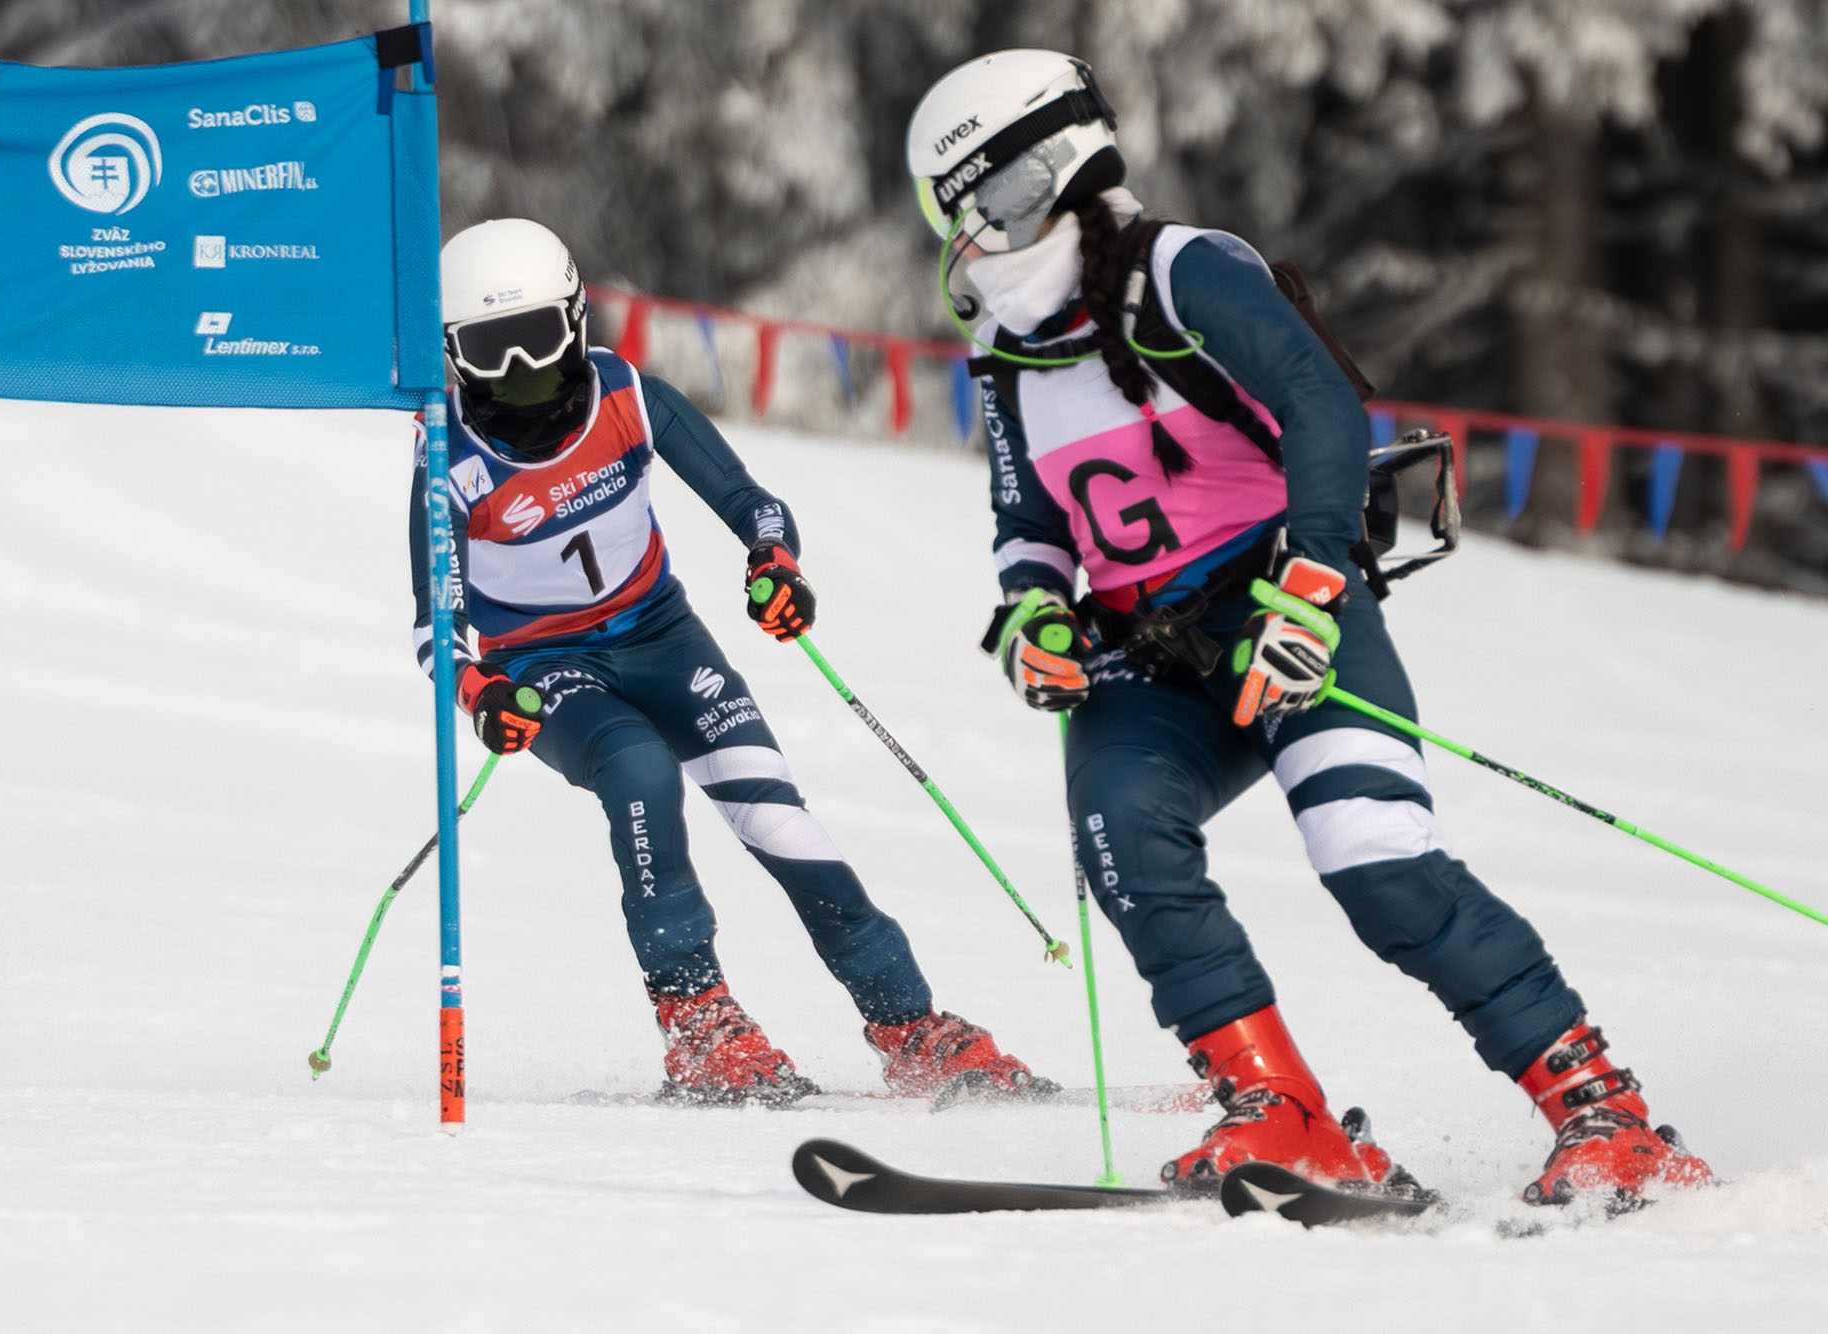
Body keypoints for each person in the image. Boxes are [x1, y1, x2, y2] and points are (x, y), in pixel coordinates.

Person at [903, 50, 1712, 1208]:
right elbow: (1026, 519)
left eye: (983, 204)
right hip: (1145, 657)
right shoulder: (1005, 351)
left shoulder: (1182, 268)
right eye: (957, 217)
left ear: (1043, 175)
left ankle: (1605, 1117)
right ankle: (1278, 1111)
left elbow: (1319, 400)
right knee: (1122, 834)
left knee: (1375, 863)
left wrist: (1312, 582)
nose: (972, 240)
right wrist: (1032, 610)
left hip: (1285, 613)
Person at [410, 217, 1047, 1107]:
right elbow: (433, 629)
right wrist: (480, 690)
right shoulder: (450, 458)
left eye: (539, 339)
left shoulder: (628, 397)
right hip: (543, 665)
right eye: (490, 350)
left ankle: (910, 1026)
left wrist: (773, 563)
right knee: (638, 770)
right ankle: (699, 1023)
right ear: (452, 355)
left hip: (661, 637)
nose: (520, 371)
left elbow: (754, 504)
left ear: (578, 319)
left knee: (778, 818)